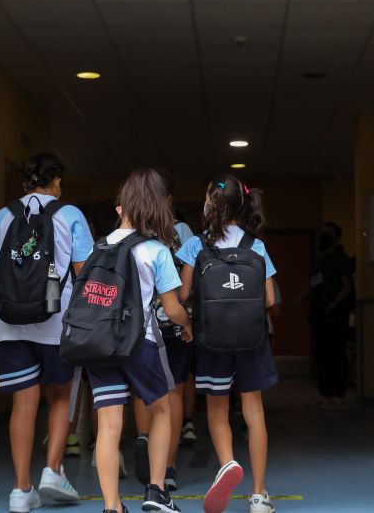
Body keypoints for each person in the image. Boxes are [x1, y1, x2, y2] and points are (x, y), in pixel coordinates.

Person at [0, 153, 91, 513]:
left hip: (9, 323)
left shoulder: (2, 216)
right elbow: (83, 273)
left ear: (24, 183)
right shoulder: (70, 215)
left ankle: (21, 490)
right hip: (58, 322)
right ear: (57, 182)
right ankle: (53, 470)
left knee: (23, 404)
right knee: (61, 395)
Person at [86, 167, 192, 513]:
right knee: (162, 409)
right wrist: (188, 324)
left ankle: (112, 506)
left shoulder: (98, 248)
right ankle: (157, 491)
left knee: (109, 424)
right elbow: (172, 309)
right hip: (139, 343)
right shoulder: (155, 250)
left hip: (99, 344)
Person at [176, 176, 278, 513]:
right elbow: (269, 299)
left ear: (209, 203)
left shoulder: (196, 245)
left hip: (211, 339)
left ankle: (228, 464)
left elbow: (184, 294)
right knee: (254, 411)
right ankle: (259, 495)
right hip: (251, 340)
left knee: (217, 410)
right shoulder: (255, 245)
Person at [133, 169, 195, 492]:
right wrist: (188, 321)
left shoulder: (131, 231)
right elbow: (187, 286)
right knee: (174, 391)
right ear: (168, 200)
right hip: (173, 325)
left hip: (137, 327)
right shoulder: (181, 231)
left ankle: (146, 448)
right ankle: (168, 466)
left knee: (141, 392)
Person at [304, 222, 354, 409]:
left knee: (337, 353)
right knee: (322, 354)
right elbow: (313, 284)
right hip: (319, 312)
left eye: (328, 232)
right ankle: (324, 394)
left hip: (335, 313)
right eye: (323, 232)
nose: (323, 235)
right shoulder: (320, 260)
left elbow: (347, 286)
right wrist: (298, 300)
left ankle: (339, 394)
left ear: (337, 237)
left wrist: (334, 304)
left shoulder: (342, 259)